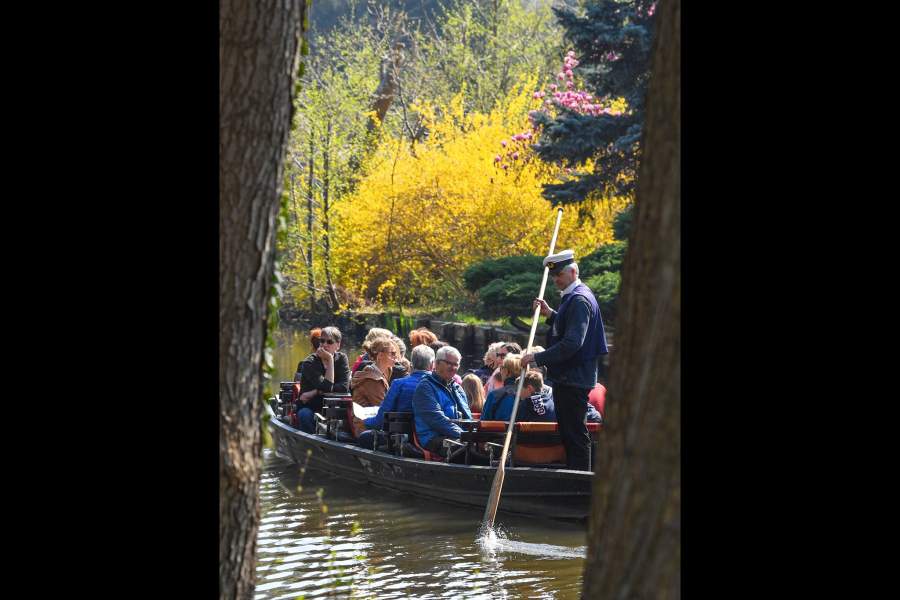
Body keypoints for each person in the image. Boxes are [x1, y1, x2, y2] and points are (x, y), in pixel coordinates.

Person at [520, 249, 608, 471]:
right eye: (554, 276)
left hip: (573, 378)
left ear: (573, 271)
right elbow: (568, 326)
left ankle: (579, 480)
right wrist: (551, 314)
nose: (556, 279)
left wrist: (537, 357)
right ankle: (576, 476)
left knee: (574, 433)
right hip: (570, 377)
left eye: (559, 274)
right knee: (570, 431)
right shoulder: (575, 296)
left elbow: (572, 343)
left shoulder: (579, 299)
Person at [355, 345, 435, 447]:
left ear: (411, 365)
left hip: (402, 440)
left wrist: (365, 422)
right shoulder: (440, 385)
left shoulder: (399, 384)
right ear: (432, 365)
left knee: (364, 437)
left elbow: (380, 419)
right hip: (431, 440)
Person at [411, 345, 472, 459]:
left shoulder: (457, 388)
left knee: (488, 447)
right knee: (468, 450)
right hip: (433, 437)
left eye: (456, 364)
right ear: (437, 363)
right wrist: (465, 436)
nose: (453, 367)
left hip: (457, 436)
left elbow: (467, 417)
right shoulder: (425, 387)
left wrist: (476, 434)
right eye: (449, 363)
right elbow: (436, 419)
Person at [294, 326, 351, 434]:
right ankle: (311, 447)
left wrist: (315, 391)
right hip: (311, 406)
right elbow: (327, 387)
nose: (324, 344)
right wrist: (330, 360)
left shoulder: (342, 359)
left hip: (334, 407)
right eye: (322, 341)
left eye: (329, 342)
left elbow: (344, 388)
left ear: (338, 345)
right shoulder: (309, 363)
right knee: (304, 415)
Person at [351, 336, 400, 408]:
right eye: (392, 353)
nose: (395, 356)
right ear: (380, 355)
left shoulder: (379, 373)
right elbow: (383, 407)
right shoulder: (372, 379)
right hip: (366, 419)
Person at [480, 353, 524, 421]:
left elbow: (484, 421)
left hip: (498, 431)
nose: (500, 371)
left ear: (506, 371)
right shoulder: (532, 394)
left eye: (501, 368)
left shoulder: (495, 395)